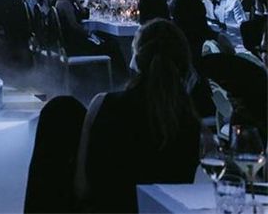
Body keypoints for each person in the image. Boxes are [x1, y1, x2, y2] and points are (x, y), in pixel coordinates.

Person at [25, 19, 200, 213]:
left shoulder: (104, 105)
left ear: (136, 59)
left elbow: (82, 188)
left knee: (60, 110)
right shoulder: (190, 123)